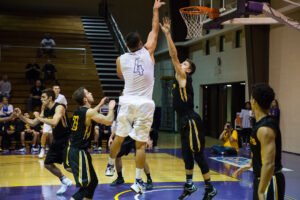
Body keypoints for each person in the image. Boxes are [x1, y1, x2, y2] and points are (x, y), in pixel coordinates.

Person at [105, 0, 165, 194]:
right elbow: (155, 29)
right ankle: (138, 181)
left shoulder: (120, 59)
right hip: (145, 104)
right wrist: (155, 10)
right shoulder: (148, 52)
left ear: (127, 45)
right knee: (140, 146)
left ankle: (109, 164)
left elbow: (121, 76)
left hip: (128, 102)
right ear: (140, 43)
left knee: (119, 138)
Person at [160, 17, 217, 200]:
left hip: (191, 120)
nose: (181, 65)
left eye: (185, 64)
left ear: (188, 71)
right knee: (186, 155)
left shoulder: (184, 78)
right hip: (184, 121)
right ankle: (190, 184)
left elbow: (173, 55)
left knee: (198, 155)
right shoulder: (180, 79)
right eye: (182, 63)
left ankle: (210, 188)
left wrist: (168, 34)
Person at [15, 88, 72, 195]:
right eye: (41, 97)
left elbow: (54, 121)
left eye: (43, 97)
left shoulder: (60, 107)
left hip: (67, 138)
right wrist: (20, 116)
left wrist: (39, 118)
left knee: (68, 166)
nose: (41, 99)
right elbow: (32, 123)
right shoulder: (45, 110)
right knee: (48, 164)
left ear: (50, 98)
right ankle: (63, 180)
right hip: (57, 139)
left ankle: (86, 179)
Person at [233, 84, 285, 200]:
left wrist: (261, 191)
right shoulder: (259, 125)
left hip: (269, 181)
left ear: (254, 102)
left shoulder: (265, 129)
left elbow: (269, 164)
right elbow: (259, 152)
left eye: (251, 98)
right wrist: (249, 165)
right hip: (262, 179)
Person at [68, 87, 115, 200]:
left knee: (93, 182)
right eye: (88, 93)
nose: (91, 92)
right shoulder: (88, 113)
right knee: (85, 187)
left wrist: (100, 103)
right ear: (85, 99)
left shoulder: (79, 110)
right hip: (79, 152)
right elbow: (108, 121)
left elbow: (90, 112)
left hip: (78, 151)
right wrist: (111, 108)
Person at [108, 121, 153, 190]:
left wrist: (148, 138)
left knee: (140, 158)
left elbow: (143, 123)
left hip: (137, 135)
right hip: (125, 135)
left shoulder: (138, 111)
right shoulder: (119, 111)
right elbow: (118, 124)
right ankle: (120, 178)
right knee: (117, 155)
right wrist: (111, 137)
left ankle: (149, 179)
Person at [39, 84, 67, 158]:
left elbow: (65, 106)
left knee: (53, 135)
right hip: (48, 117)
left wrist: (60, 114)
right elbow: (43, 107)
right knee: (44, 133)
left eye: (58, 88)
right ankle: (42, 150)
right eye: (55, 88)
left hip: (56, 118)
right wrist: (41, 117)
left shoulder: (62, 97)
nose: (56, 89)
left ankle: (52, 149)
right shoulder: (48, 97)